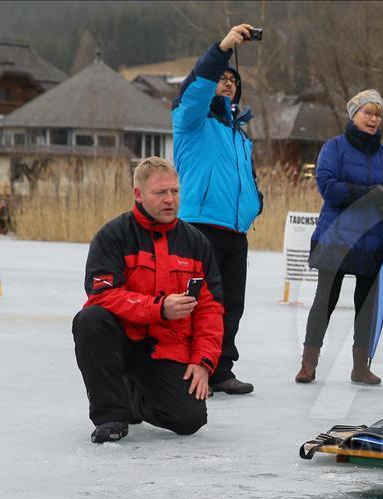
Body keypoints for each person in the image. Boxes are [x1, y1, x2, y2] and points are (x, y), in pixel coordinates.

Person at [72, 158, 224, 444]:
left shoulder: (196, 243)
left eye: (175, 192)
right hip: (123, 339)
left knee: (189, 420)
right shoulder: (112, 236)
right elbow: (102, 295)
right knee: (90, 320)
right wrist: (159, 308)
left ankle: (133, 396)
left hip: (166, 347)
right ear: (138, 194)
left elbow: (210, 309)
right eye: (160, 193)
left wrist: (203, 361)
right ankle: (111, 416)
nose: (170, 200)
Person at [172, 24, 263, 396]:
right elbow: (195, 87)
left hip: (235, 231)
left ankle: (221, 368)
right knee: (197, 302)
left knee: (231, 306)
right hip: (199, 228)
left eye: (232, 80)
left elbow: (246, 180)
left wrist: (256, 203)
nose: (227, 83)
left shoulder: (240, 134)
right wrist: (223, 49)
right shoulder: (192, 121)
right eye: (222, 79)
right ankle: (183, 367)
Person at [294, 90, 383, 385]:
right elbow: (328, 187)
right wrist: (369, 195)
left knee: (366, 305)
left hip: (372, 239)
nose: (373, 118)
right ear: (353, 114)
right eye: (368, 112)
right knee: (324, 302)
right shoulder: (334, 148)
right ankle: (309, 364)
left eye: (378, 114)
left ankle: (360, 367)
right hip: (336, 238)